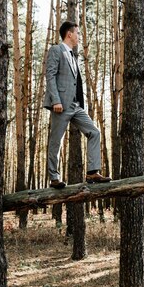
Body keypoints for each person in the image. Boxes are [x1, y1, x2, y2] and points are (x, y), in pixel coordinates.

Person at [43, 21, 111, 189]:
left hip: (75, 106)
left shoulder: (73, 55)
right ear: (69, 34)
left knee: (94, 132)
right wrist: (56, 101)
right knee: (56, 141)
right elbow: (50, 76)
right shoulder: (56, 50)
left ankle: (92, 172)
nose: (79, 36)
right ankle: (54, 178)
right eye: (78, 33)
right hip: (61, 105)